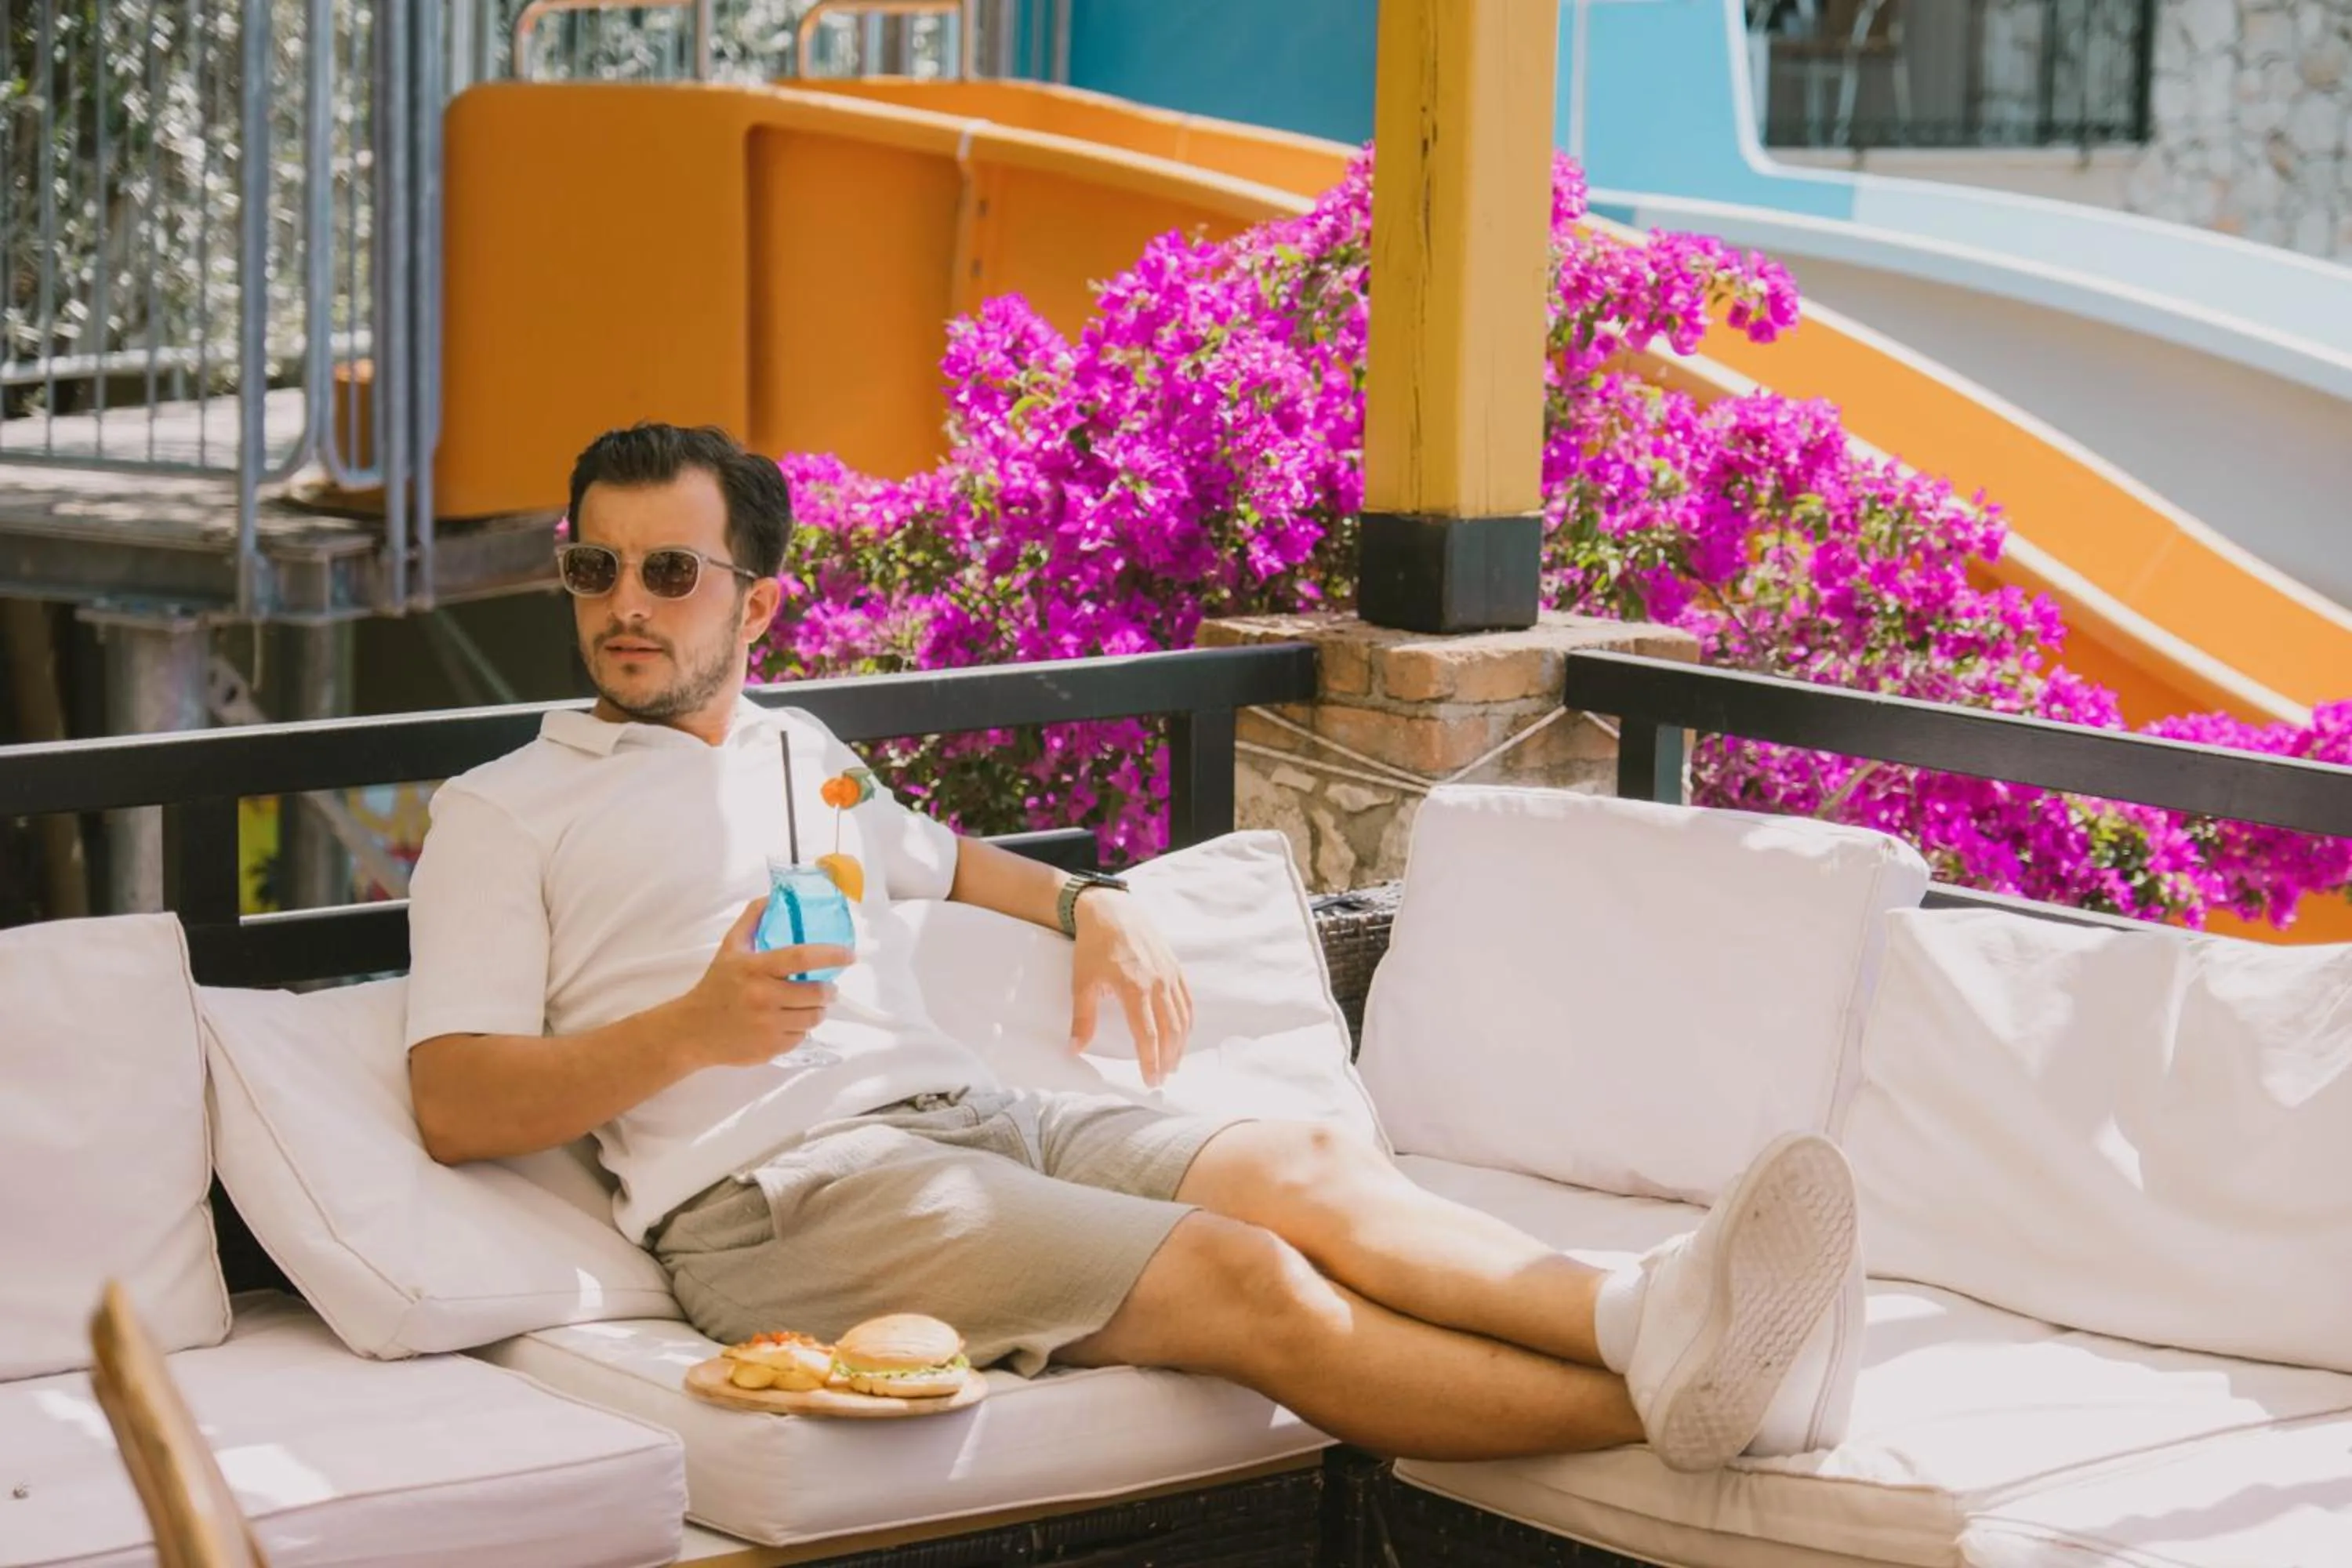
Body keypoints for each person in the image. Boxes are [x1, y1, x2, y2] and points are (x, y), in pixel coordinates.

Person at [405, 421, 1864, 1471]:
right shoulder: (504, 809)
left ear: (759, 602)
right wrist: (689, 1033)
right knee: (1247, 1279)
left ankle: (1641, 1309)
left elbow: (935, 857)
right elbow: (454, 1101)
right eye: (596, 568)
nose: (623, 607)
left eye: (671, 573)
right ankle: (1680, 1400)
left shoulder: (802, 756)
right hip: (778, 1201)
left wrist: (1091, 904)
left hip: (973, 1122)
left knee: (1305, 1166)